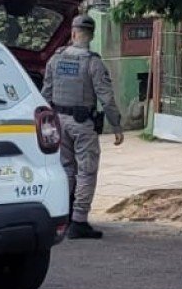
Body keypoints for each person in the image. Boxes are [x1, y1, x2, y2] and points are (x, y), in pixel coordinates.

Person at [40, 14, 123, 238]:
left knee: (66, 168)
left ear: (73, 33)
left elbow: (45, 95)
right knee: (87, 170)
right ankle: (79, 221)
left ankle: (63, 216)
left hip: (58, 121)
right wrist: (116, 125)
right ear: (92, 36)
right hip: (82, 123)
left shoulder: (55, 59)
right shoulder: (93, 62)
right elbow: (106, 98)